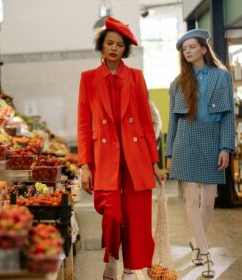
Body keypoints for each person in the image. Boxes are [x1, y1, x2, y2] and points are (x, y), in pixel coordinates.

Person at [77, 17, 166, 280]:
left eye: (119, 44)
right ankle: (112, 259)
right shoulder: (89, 79)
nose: (114, 48)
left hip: (135, 157)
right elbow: (83, 124)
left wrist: (154, 163)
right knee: (113, 214)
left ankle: (129, 269)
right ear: (102, 47)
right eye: (109, 43)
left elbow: (146, 124)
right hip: (104, 158)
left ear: (125, 49)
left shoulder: (136, 78)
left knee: (136, 218)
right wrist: (84, 165)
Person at [165, 29, 235, 279]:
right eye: (185, 49)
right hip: (186, 139)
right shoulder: (177, 83)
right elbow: (173, 121)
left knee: (209, 201)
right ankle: (205, 256)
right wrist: (169, 152)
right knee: (191, 200)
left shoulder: (222, 77)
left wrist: (226, 147)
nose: (188, 51)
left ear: (204, 49)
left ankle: (196, 242)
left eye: (193, 46)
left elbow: (227, 116)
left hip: (212, 139)